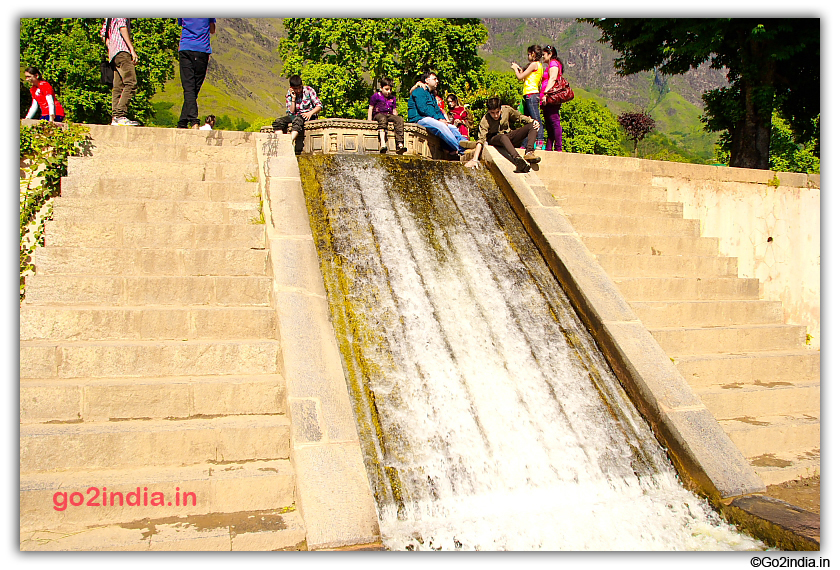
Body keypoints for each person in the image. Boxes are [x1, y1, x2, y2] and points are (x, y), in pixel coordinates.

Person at [463, 97, 540, 174]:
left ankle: (529, 152)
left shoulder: (507, 109)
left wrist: (532, 121)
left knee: (533, 125)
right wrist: (474, 159)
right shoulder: (485, 120)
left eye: (497, 112)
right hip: (495, 139)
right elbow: (480, 141)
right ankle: (518, 160)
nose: (495, 115)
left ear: (501, 109)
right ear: (489, 111)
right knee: (503, 137)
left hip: (508, 136)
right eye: (492, 113)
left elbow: (519, 117)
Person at [407, 72, 467, 157]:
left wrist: (443, 120)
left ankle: (465, 143)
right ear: (427, 80)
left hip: (430, 118)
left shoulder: (431, 94)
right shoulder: (420, 91)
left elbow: (438, 110)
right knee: (441, 126)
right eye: (434, 79)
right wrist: (438, 119)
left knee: (451, 127)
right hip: (419, 118)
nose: (437, 81)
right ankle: (460, 148)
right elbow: (423, 109)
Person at [177, 19, 216, 129]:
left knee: (189, 87)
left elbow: (182, 26)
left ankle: (183, 121)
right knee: (194, 88)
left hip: (185, 48)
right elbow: (212, 30)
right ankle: (194, 121)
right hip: (202, 50)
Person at [100, 18, 139, 126]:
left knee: (118, 86)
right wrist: (131, 49)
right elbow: (122, 28)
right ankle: (120, 115)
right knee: (131, 82)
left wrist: (111, 47)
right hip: (122, 51)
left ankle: (115, 118)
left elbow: (103, 35)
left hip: (113, 54)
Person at [272, 75, 322, 155]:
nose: (298, 90)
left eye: (299, 88)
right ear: (291, 88)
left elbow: (319, 106)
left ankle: (289, 141)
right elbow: (291, 111)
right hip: (295, 114)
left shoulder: (309, 90)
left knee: (297, 120)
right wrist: (293, 99)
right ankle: (281, 142)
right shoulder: (289, 94)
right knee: (278, 122)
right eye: (296, 89)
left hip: (308, 114)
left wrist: (310, 113)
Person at [511, 45, 544, 150]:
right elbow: (525, 76)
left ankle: (540, 141)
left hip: (532, 94)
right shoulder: (538, 65)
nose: (528, 56)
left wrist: (515, 69)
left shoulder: (534, 64)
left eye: (529, 54)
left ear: (533, 54)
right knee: (529, 121)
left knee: (535, 119)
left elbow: (520, 77)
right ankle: (525, 144)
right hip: (530, 94)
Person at [368, 78, 407, 154]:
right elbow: (371, 108)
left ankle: (400, 144)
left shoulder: (392, 98)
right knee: (383, 119)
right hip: (378, 114)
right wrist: (369, 120)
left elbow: (394, 110)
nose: (389, 92)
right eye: (386, 89)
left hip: (389, 114)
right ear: (381, 88)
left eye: (390, 89)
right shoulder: (376, 96)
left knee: (399, 120)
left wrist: (396, 115)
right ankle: (383, 143)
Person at [540, 44, 564, 152]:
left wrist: (546, 93)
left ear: (550, 54)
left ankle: (558, 148)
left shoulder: (554, 64)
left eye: (544, 54)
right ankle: (549, 147)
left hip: (551, 98)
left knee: (554, 122)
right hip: (547, 98)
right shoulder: (550, 64)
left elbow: (553, 78)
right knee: (549, 123)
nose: (542, 56)